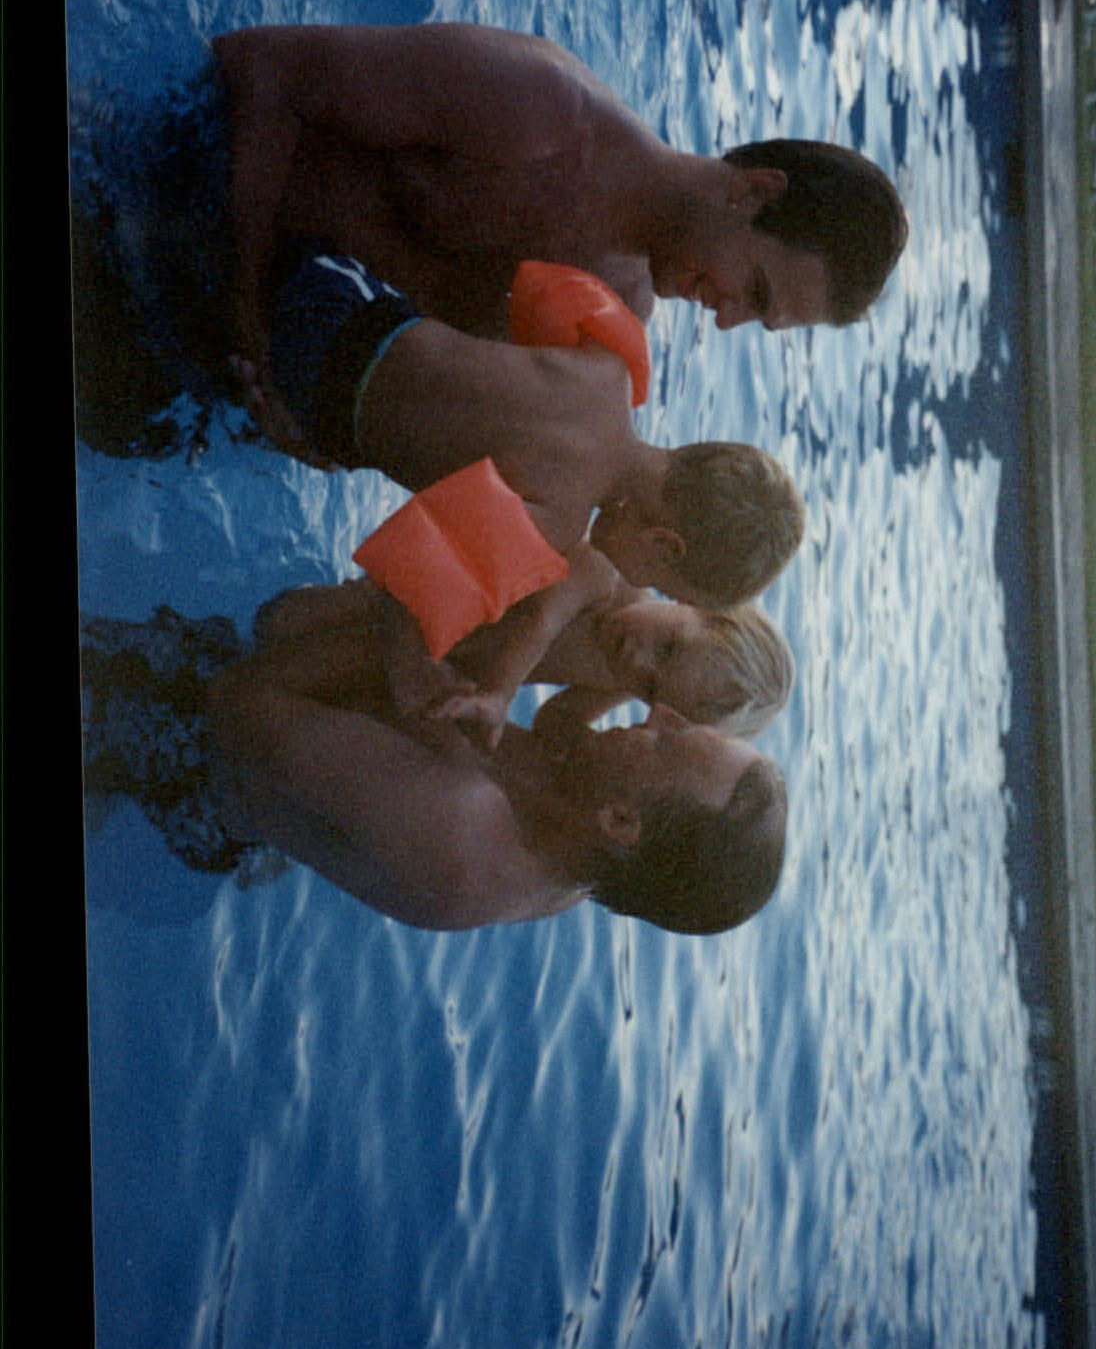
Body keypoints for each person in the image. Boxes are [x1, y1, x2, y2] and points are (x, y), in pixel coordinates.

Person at [210, 21, 910, 357]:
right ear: (755, 192)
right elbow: (264, 68)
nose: (727, 319)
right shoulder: (540, 111)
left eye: (756, 320)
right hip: (182, 188)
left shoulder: (611, 313)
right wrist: (243, 304)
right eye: (755, 291)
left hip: (221, 350)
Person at [205, 585, 788, 934]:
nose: (661, 713)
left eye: (668, 741)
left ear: (621, 821)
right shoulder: (580, 828)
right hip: (287, 767)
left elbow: (233, 701)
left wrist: (411, 636)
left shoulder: (462, 830)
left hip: (189, 760)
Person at [248, 248, 807, 608]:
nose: (636, 586)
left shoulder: (609, 368)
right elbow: (410, 581)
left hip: (347, 300)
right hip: (321, 406)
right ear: (664, 544)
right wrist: (420, 679)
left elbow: (536, 286)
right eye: (660, 586)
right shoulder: (558, 522)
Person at [254, 545, 796, 748]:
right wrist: (498, 695)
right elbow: (539, 619)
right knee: (284, 624)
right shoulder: (602, 575)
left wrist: (581, 758)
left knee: (320, 705)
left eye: (651, 687)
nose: (638, 661)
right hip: (410, 603)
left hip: (447, 669)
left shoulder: (618, 679)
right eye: (668, 648)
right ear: (693, 604)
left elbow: (558, 721)